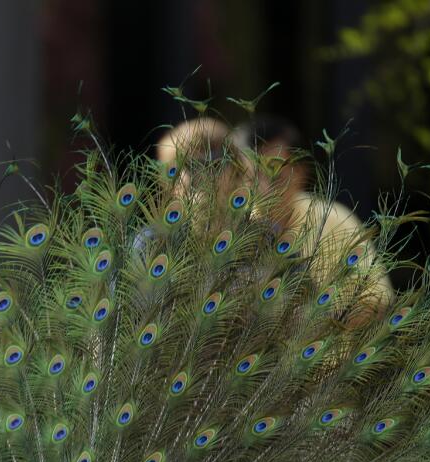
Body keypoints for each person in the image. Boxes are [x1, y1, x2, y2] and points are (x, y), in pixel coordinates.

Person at [157, 116, 393, 327]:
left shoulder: (332, 219)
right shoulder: (233, 233)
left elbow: (376, 300)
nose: (265, 188)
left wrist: (315, 325)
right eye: (252, 177)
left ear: (301, 173)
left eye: (276, 177)